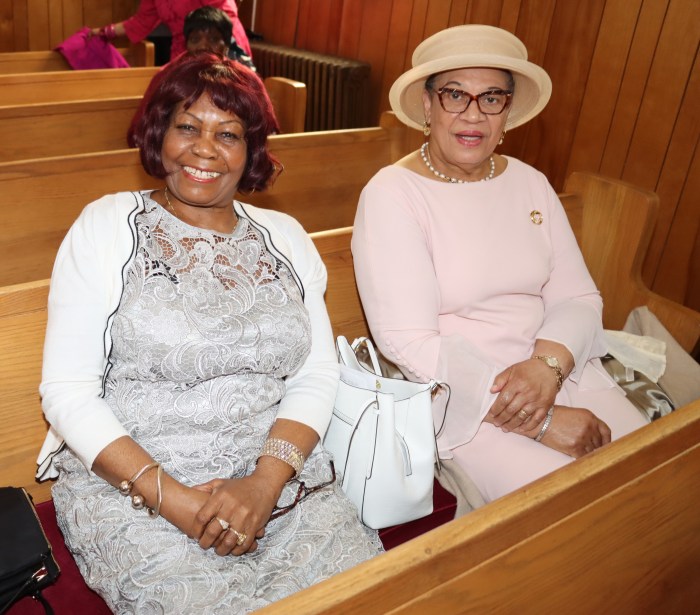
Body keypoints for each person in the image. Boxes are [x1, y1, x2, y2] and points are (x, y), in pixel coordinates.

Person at [36, 52, 382, 613]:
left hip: (276, 477)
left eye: (229, 134)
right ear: (158, 134)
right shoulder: (106, 226)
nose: (205, 149)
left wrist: (264, 486)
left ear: (251, 152)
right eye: (188, 127)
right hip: (137, 489)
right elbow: (68, 393)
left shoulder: (285, 236)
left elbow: (314, 372)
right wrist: (172, 500)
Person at [351, 25, 648, 505]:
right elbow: (408, 342)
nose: (473, 115)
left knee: (656, 469)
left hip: (562, 369)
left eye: (491, 98)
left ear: (507, 110)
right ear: (427, 106)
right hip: (468, 403)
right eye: (454, 95)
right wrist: (541, 419)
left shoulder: (530, 183)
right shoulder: (392, 194)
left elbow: (578, 297)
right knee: (581, 509)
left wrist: (547, 368)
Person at [90, 0, 252, 62]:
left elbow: (221, 16)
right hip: (184, 48)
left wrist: (219, 54)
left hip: (219, 41)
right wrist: (105, 32)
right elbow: (141, 21)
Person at [183, 6, 256, 70]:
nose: (203, 46)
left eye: (213, 40)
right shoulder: (179, 72)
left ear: (227, 44)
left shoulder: (243, 72)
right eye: (195, 40)